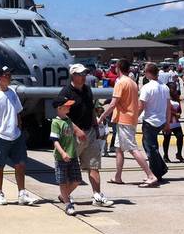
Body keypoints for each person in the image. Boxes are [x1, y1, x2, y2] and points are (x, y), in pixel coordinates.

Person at [56, 63, 114, 208]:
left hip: (90, 132)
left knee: (93, 165)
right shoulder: (66, 93)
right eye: (80, 74)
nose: (83, 77)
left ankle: (97, 195)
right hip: (73, 136)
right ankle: (65, 195)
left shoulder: (87, 90)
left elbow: (91, 109)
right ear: (73, 75)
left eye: (84, 74)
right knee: (71, 170)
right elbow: (63, 115)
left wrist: (96, 126)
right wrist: (76, 130)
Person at [0, 66, 37, 206]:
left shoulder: (12, 92)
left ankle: (22, 193)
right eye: (6, 75)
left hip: (16, 135)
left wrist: (19, 127)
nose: (9, 77)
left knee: (20, 164)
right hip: (1, 136)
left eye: (9, 75)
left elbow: (18, 112)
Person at [100, 58, 157, 188]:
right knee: (119, 149)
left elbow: (113, 103)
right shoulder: (132, 83)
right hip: (130, 118)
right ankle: (117, 176)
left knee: (132, 148)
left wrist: (102, 117)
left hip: (124, 120)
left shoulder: (120, 83)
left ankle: (150, 175)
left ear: (118, 68)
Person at [136, 63, 170, 182]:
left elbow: (141, 106)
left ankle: (156, 172)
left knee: (150, 148)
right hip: (161, 120)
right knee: (150, 146)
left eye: (145, 72)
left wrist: (135, 119)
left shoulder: (147, 87)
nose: (144, 74)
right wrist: (167, 122)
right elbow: (168, 107)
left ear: (149, 73)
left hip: (150, 121)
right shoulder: (165, 87)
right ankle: (160, 168)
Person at [51, 95, 81, 216]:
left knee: (77, 180)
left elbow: (72, 134)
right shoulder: (56, 122)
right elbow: (55, 140)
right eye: (66, 105)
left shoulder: (68, 120)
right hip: (61, 157)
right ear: (59, 108)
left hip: (72, 155)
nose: (69, 106)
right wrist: (63, 153)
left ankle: (63, 196)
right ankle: (68, 204)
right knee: (62, 181)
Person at [163, 85, 184, 163]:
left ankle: (179, 153)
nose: (174, 90)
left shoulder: (177, 98)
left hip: (176, 123)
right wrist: (175, 114)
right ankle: (165, 155)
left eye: (175, 89)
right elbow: (165, 109)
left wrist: (178, 114)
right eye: (172, 89)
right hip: (167, 122)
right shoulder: (165, 98)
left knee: (180, 137)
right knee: (167, 139)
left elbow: (180, 110)